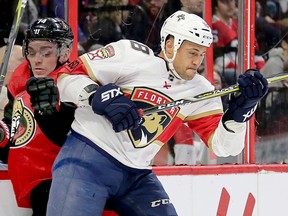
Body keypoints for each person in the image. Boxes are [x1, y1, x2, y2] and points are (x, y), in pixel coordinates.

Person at [46, 11, 268, 215]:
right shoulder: (129, 55)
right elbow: (65, 77)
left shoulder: (201, 90)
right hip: (87, 160)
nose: (197, 61)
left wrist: (240, 113)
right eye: (192, 52)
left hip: (136, 176)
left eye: (201, 54)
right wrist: (96, 96)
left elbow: (224, 146)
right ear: (170, 46)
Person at [0, 17, 76, 216]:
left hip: (54, 178)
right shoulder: (20, 77)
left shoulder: (72, 83)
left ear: (64, 53)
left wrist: (48, 113)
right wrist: (2, 133)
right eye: (31, 52)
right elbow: (14, 124)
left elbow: (66, 137)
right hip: (24, 177)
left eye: (46, 52)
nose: (37, 59)